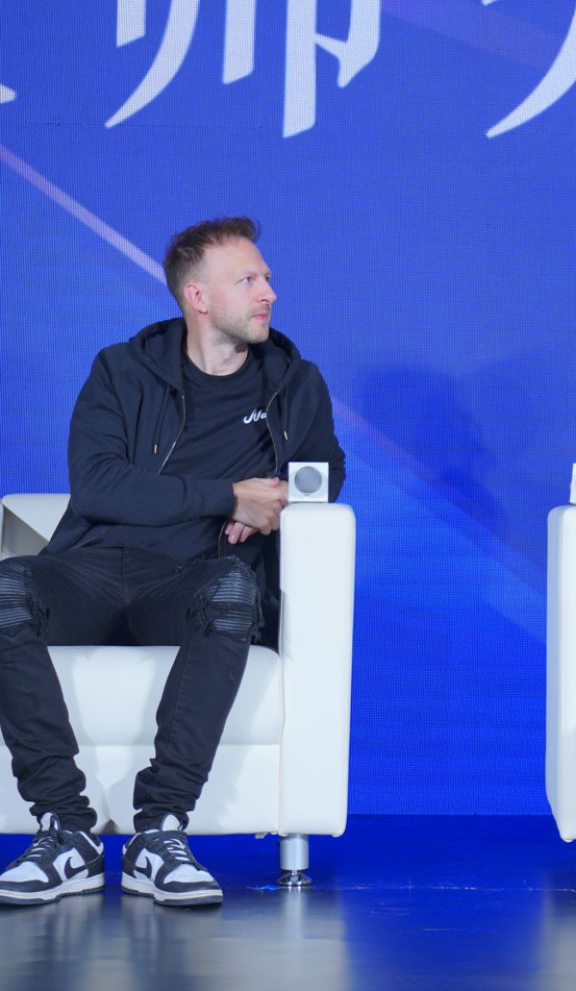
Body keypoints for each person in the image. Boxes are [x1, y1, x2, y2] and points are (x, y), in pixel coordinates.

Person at [0, 217, 344, 907]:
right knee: (5, 587)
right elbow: (98, 485)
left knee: (231, 590)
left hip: (192, 577)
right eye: (248, 280)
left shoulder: (294, 381)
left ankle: (159, 830)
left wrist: (276, 502)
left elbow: (324, 472)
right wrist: (228, 495)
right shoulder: (122, 369)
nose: (269, 293)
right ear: (198, 297)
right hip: (94, 568)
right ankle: (65, 827)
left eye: (267, 278)